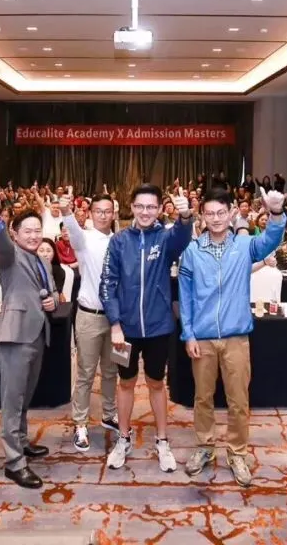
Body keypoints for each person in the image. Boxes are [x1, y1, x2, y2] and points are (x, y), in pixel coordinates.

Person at [178, 187, 286, 487]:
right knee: (203, 397)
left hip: (236, 337)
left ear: (231, 214)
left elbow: (271, 240)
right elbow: (185, 296)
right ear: (202, 216)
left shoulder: (244, 245)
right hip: (202, 338)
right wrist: (189, 334)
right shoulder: (192, 251)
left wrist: (276, 213)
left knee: (238, 400)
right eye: (210, 213)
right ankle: (205, 446)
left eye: (221, 213)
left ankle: (237, 452)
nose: (215, 219)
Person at [100, 184, 193, 473]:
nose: (145, 212)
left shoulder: (165, 239)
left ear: (160, 209)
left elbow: (182, 237)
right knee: (125, 382)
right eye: (140, 206)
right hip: (124, 331)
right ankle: (123, 438)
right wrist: (115, 324)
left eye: (151, 207)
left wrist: (185, 217)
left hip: (158, 328)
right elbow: (108, 283)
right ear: (131, 207)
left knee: (156, 383)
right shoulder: (118, 241)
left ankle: (162, 441)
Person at [0, 200, 57, 489]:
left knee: (25, 397)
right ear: (15, 233)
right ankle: (14, 463)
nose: (33, 235)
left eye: (37, 230)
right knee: (12, 401)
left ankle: (22, 442)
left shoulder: (43, 260)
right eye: (27, 231)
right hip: (15, 336)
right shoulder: (10, 254)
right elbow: (1, 243)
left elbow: (51, 292)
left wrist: (52, 301)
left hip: (37, 334)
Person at [57, 191, 120, 453]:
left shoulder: (119, 241)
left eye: (107, 211)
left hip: (116, 320)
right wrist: (66, 211)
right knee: (85, 373)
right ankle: (80, 422)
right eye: (98, 211)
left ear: (114, 214)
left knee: (112, 371)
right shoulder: (84, 239)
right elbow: (72, 229)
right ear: (91, 213)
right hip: (89, 316)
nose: (103, 215)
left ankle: (109, 414)